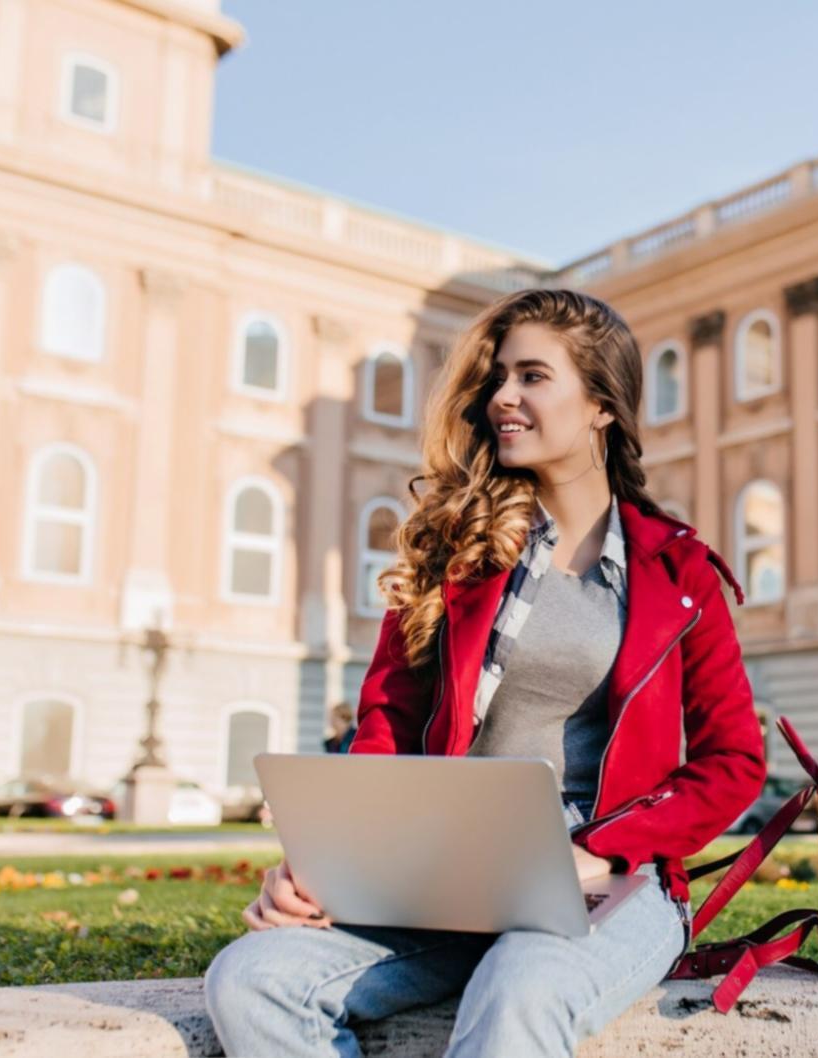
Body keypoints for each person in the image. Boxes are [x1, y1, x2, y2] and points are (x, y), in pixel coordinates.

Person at [204, 288, 765, 1057]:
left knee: (522, 987)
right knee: (252, 978)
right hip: (448, 874)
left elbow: (733, 762)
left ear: (602, 405)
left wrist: (598, 847)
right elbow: (389, 724)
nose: (503, 395)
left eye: (533, 376)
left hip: (611, 874)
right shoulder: (455, 550)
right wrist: (330, 866)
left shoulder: (679, 573)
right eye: (499, 376)